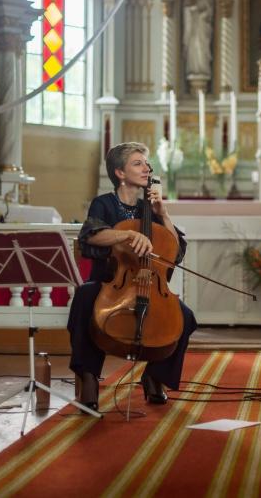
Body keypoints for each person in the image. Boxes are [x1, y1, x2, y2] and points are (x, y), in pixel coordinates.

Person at [67, 142, 197, 410]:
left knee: (186, 317)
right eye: (137, 163)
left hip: (149, 284)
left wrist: (164, 214)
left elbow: (175, 251)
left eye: (146, 164)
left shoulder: (148, 208)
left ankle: (154, 376)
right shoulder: (104, 204)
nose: (146, 168)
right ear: (120, 173)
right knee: (83, 297)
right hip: (109, 282)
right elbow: (90, 235)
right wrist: (127, 234)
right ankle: (89, 376)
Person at [182, 0, 214, 79]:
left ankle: (203, 69)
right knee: (193, 46)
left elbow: (210, 10)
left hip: (202, 25)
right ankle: (193, 69)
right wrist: (190, 10)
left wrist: (202, 13)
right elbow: (186, 9)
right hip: (192, 25)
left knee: (201, 46)